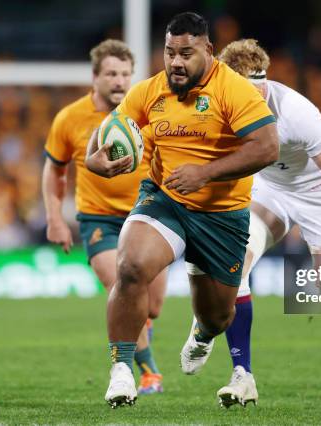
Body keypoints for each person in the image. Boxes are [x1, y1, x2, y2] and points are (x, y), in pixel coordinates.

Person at [85, 13, 279, 408]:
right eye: (169, 52)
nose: (175, 62)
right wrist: (95, 162)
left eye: (186, 53)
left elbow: (266, 147)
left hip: (221, 214)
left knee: (217, 318)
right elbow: (108, 131)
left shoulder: (234, 90)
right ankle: (122, 370)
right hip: (165, 199)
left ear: (208, 50)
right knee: (131, 266)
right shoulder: (151, 90)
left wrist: (206, 173)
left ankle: (203, 334)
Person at [195, 39, 321, 407]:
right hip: (269, 189)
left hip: (319, 195)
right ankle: (243, 375)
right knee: (234, 263)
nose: (251, 100)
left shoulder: (295, 111)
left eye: (258, 90)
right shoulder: (217, 103)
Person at [42, 39, 166, 395]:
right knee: (124, 288)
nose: (119, 81)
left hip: (148, 216)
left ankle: (140, 329)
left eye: (126, 74)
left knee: (151, 306)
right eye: (111, 73)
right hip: (100, 221)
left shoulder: (146, 113)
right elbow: (54, 170)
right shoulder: (70, 118)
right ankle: (149, 373)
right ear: (94, 76)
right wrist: (55, 218)